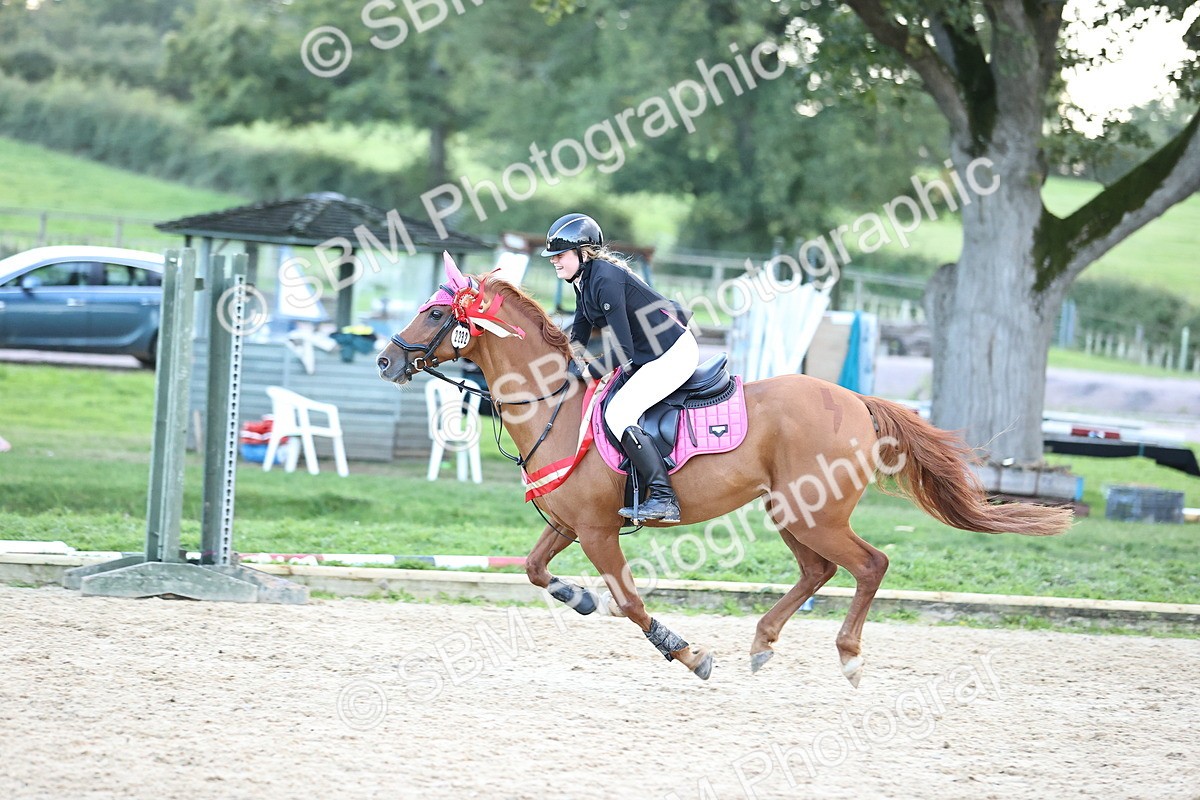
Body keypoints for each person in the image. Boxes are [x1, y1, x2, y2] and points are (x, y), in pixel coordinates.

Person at [540, 212, 699, 523]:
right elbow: (580, 333)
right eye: (552, 256)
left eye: (559, 255)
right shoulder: (584, 280)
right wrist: (563, 367)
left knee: (618, 414)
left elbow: (623, 352)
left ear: (582, 252)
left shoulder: (605, 279)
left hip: (672, 353)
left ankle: (664, 498)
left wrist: (586, 373)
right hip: (650, 354)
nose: (554, 261)